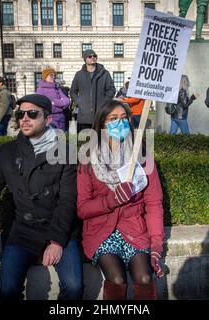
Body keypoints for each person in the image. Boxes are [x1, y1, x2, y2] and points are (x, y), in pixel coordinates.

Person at [0, 94, 83, 300]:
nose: (24, 119)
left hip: (59, 229)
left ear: (47, 120)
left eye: (32, 114)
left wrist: (56, 241)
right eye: (20, 114)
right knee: (8, 289)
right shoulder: (6, 152)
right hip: (22, 231)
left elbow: (68, 201)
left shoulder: (66, 151)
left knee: (73, 287)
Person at [77, 100, 165, 300]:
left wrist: (157, 245)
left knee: (144, 277)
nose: (120, 124)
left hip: (134, 230)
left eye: (124, 119)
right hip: (101, 232)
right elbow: (82, 208)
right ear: (101, 125)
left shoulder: (142, 157)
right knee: (116, 279)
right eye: (113, 119)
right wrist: (111, 200)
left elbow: (153, 204)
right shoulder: (87, 158)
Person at [70, 49, 116, 132]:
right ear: (85, 59)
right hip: (84, 115)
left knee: (101, 141)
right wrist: (79, 101)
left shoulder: (105, 73)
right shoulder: (79, 74)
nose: (93, 58)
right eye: (90, 56)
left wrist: (104, 101)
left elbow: (111, 89)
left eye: (95, 56)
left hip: (100, 114)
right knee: (84, 141)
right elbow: (73, 91)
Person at [37, 67, 71, 131]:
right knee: (52, 139)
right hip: (50, 119)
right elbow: (43, 105)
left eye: (54, 75)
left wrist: (54, 102)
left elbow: (67, 101)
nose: (54, 77)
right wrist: (61, 105)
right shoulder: (40, 89)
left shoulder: (57, 88)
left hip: (61, 119)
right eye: (51, 75)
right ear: (45, 77)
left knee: (61, 139)